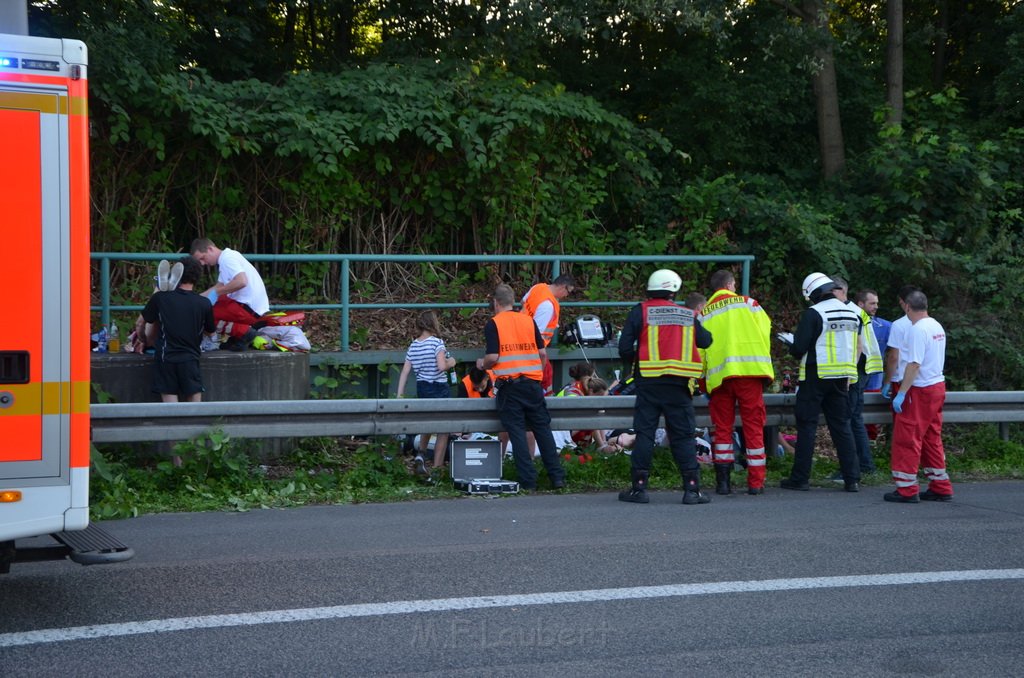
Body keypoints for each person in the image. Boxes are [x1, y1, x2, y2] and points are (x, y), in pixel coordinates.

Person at [617, 269, 713, 505]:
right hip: (679, 385)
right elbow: (706, 340)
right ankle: (692, 490)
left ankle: (639, 489)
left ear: (650, 290)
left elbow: (625, 347)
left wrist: (633, 364)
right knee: (683, 435)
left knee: (645, 434)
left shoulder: (640, 311)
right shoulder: (687, 314)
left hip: (648, 383)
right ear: (674, 290)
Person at [778, 272, 863, 492]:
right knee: (842, 427)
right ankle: (852, 478)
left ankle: (800, 478)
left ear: (814, 294)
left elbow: (799, 349)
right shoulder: (855, 314)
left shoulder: (814, 313)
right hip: (842, 378)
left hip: (816, 376)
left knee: (807, 427)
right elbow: (856, 347)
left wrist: (790, 342)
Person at [477, 284, 566, 491]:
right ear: (513, 301)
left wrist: (484, 364)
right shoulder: (528, 321)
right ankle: (557, 477)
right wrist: (536, 375)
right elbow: (543, 355)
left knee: (517, 433)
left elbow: (493, 357)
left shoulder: (494, 324)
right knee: (543, 430)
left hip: (510, 387)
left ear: (495, 303)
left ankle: (528, 481)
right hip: (533, 385)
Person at [698, 269, 774, 496]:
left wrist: (702, 380)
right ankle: (756, 483)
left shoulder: (704, 314)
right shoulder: (750, 304)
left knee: (722, 429)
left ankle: (723, 483)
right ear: (731, 285)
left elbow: (700, 351)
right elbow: (765, 332)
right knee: (753, 427)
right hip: (749, 374)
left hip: (720, 379)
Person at [884, 291, 952, 503]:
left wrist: (902, 393)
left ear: (907, 307)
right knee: (931, 437)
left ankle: (906, 488)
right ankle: (940, 485)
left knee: (907, 437)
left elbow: (914, 364)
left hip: (919, 389)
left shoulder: (917, 330)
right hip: (936, 386)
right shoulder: (936, 326)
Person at [140, 255, 216, 403]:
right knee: (194, 395)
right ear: (198, 277)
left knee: (170, 404)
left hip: (165, 357)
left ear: (176, 273)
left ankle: (171, 425)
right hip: (190, 357)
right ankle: (196, 425)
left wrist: (144, 340)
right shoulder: (204, 303)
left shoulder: (160, 298)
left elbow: (142, 323)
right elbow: (210, 332)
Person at [832, 276, 883, 478]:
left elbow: (858, 347)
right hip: (860, 370)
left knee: (850, 419)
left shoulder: (850, 312)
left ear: (840, 290)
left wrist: (848, 374)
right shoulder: (855, 311)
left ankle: (857, 466)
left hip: (855, 371)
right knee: (854, 419)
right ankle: (864, 464)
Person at [396, 310, 457, 477]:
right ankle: (437, 468)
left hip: (422, 387)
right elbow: (441, 367)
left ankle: (421, 455)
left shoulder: (414, 345)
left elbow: (405, 372)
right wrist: (451, 362)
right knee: (444, 429)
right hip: (439, 387)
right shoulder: (437, 343)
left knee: (428, 423)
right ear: (433, 324)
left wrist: (399, 395)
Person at [190, 238, 270, 351]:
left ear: (210, 249)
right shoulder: (228, 256)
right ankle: (238, 336)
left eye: (202, 258)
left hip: (249, 309)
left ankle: (244, 332)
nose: (202, 263)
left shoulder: (227, 259)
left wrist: (215, 294)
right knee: (208, 304)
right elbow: (219, 286)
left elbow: (241, 281)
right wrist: (195, 299)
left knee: (203, 314)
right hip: (252, 307)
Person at [521, 273, 576, 395]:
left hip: (521, 339)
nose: (566, 295)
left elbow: (523, 302)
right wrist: (541, 356)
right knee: (545, 377)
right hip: (532, 350)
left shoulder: (538, 287)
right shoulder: (548, 305)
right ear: (563, 287)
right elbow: (537, 334)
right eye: (568, 292)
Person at [856, 288, 892, 441]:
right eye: (872, 303)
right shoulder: (850, 323)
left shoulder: (885, 327)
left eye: (877, 303)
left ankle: (871, 444)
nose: (876, 306)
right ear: (860, 304)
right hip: (853, 379)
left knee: (870, 421)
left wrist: (888, 381)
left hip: (874, 381)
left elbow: (896, 353)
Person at [882, 285, 921, 401]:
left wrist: (887, 381)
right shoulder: (932, 324)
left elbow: (894, 356)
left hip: (902, 378)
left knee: (903, 418)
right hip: (924, 379)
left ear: (902, 302)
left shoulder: (899, 325)